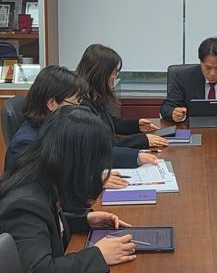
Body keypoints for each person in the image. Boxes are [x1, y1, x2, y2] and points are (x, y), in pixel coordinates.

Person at [0, 106, 137, 273]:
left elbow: (44, 227)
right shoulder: (24, 204)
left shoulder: (41, 176)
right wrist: (98, 255)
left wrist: (83, 220)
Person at [4, 65, 148, 187]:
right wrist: (92, 181)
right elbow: (45, 187)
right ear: (52, 104)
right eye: (75, 102)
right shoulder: (26, 143)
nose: (79, 108)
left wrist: (135, 157)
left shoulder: (58, 130)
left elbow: (91, 154)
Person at [76, 44, 168, 151]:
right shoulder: (82, 106)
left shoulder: (94, 97)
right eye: (113, 73)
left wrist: (136, 126)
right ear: (100, 74)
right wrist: (142, 140)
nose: (115, 77)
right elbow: (105, 144)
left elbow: (107, 122)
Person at [160, 37, 217, 123]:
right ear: (201, 62)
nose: (212, 73)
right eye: (208, 68)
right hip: (193, 129)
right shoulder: (184, 77)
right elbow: (167, 107)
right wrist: (174, 114)